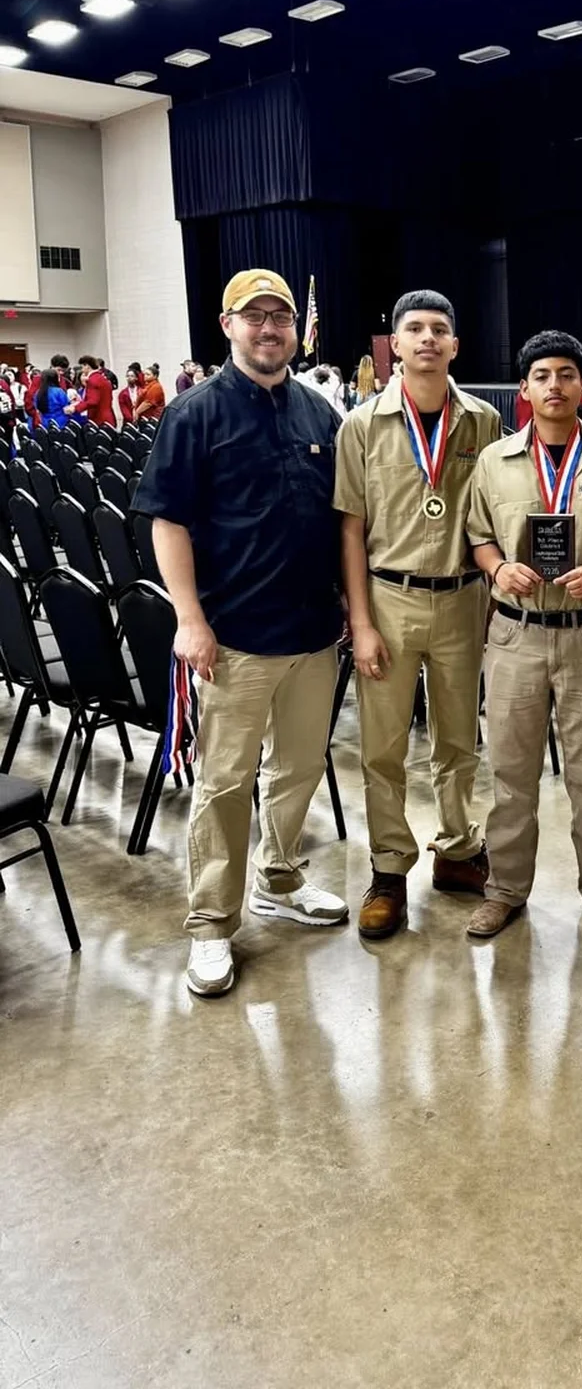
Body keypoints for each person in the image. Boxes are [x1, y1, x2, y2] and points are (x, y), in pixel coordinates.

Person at [133, 268, 349, 998]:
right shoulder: (194, 414)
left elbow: (345, 523)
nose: (267, 329)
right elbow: (168, 521)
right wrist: (189, 619)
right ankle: (211, 925)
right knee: (225, 786)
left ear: (296, 329)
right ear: (227, 325)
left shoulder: (321, 414)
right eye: (252, 316)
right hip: (234, 641)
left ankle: (280, 880)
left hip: (315, 635)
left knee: (298, 771)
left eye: (279, 318)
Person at [465, 330, 582, 939]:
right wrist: (498, 566)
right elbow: (477, 535)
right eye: (543, 375)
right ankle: (505, 890)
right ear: (524, 389)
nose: (555, 385)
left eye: (567, 374)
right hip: (516, 634)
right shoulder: (495, 461)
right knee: (511, 772)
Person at [335, 289, 501, 941]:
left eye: (440, 329)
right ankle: (388, 870)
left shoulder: (485, 422)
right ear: (394, 346)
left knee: (459, 740)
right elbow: (350, 530)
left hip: (463, 598)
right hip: (389, 597)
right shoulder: (361, 425)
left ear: (455, 346)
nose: (427, 338)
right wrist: (362, 623)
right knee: (383, 747)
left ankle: (460, 851)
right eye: (414, 329)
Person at [77, 354, 115, 427]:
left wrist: (76, 408)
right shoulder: (103, 379)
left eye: (82, 367)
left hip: (98, 419)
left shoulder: (92, 380)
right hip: (108, 417)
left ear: (87, 366)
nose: (82, 370)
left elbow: (92, 401)